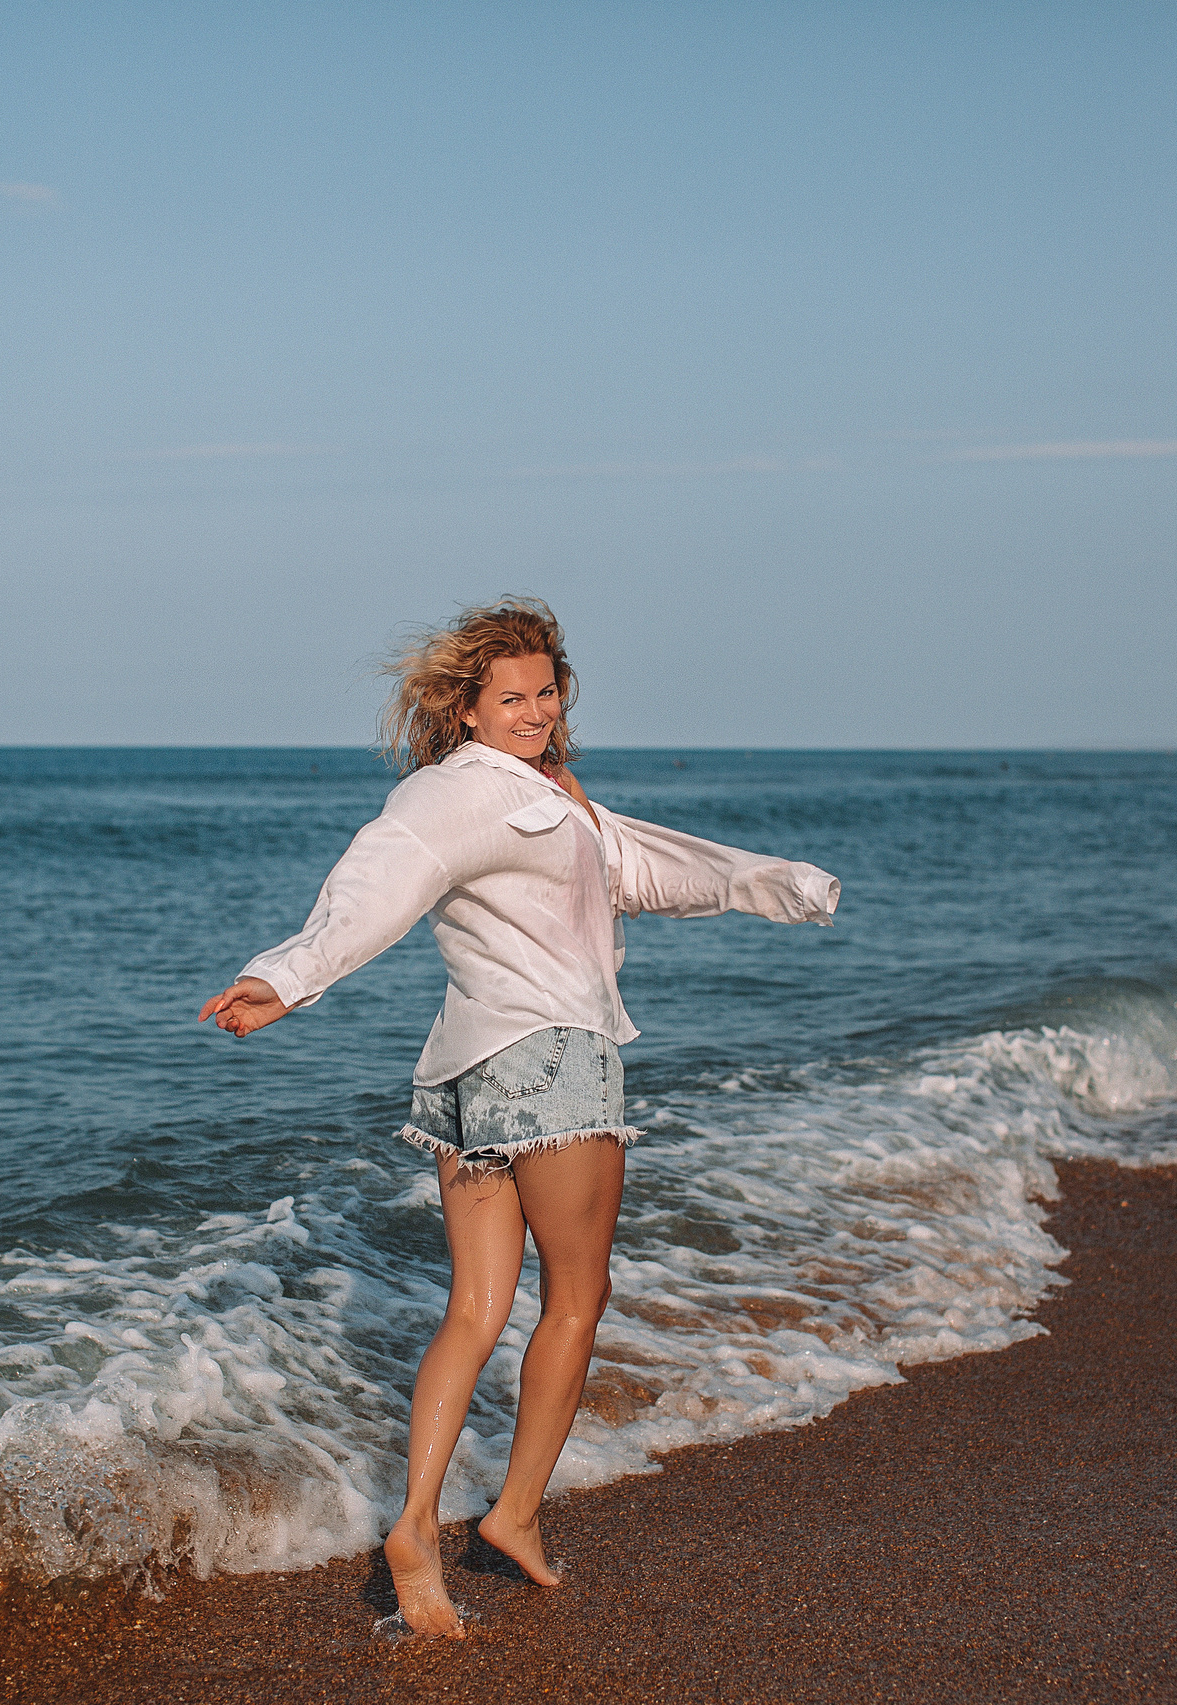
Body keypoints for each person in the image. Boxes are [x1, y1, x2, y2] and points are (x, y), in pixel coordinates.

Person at [197, 598, 839, 1637]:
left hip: (468, 1073)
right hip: (549, 1061)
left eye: (545, 692)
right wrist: (283, 977)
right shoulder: (455, 795)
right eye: (511, 697)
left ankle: (414, 1525)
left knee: (475, 1308)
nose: (533, 710)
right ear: (465, 707)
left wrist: (776, 884)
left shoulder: (543, 794)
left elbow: (642, 865)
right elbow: (371, 890)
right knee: (578, 1298)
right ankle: (513, 1513)